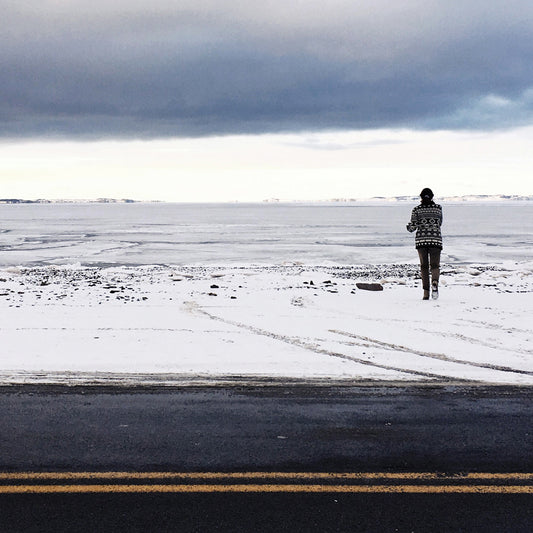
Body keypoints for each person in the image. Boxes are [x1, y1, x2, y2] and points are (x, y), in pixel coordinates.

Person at [406, 188, 443, 300]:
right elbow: (439, 223)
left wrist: (409, 226)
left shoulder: (416, 210)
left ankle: (426, 293)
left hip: (421, 241)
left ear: (421, 197)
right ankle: (435, 282)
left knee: (424, 267)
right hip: (436, 240)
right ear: (432, 197)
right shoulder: (438, 209)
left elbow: (412, 227)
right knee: (435, 265)